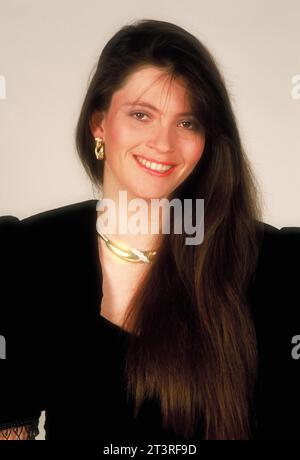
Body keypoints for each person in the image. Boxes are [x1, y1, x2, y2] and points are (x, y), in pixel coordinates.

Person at [0, 19, 299, 441]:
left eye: (187, 122)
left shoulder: (273, 263)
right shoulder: (27, 255)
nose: (163, 143)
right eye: (142, 115)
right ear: (99, 124)